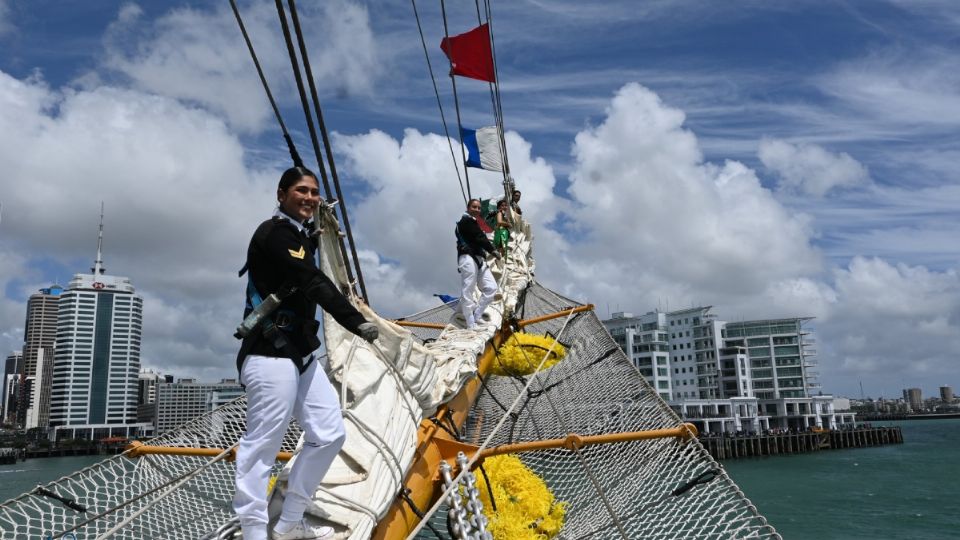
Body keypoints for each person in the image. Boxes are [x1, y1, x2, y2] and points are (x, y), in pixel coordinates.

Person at [233, 166, 379, 540]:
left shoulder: (300, 236)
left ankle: (287, 523)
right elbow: (310, 280)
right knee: (261, 446)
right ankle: (253, 532)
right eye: (301, 190)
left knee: (330, 434)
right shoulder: (275, 233)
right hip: (268, 354)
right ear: (281, 194)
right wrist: (355, 321)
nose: (310, 198)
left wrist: (313, 239)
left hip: (299, 355)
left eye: (314, 192)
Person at [456, 198, 500, 329]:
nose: (477, 210)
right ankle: (470, 323)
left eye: (479, 208)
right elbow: (479, 237)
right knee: (468, 289)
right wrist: (492, 250)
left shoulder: (474, 222)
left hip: (479, 259)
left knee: (491, 287)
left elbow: (479, 237)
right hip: (468, 258)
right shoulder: (465, 221)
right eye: (474, 207)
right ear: (468, 207)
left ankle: (476, 315)